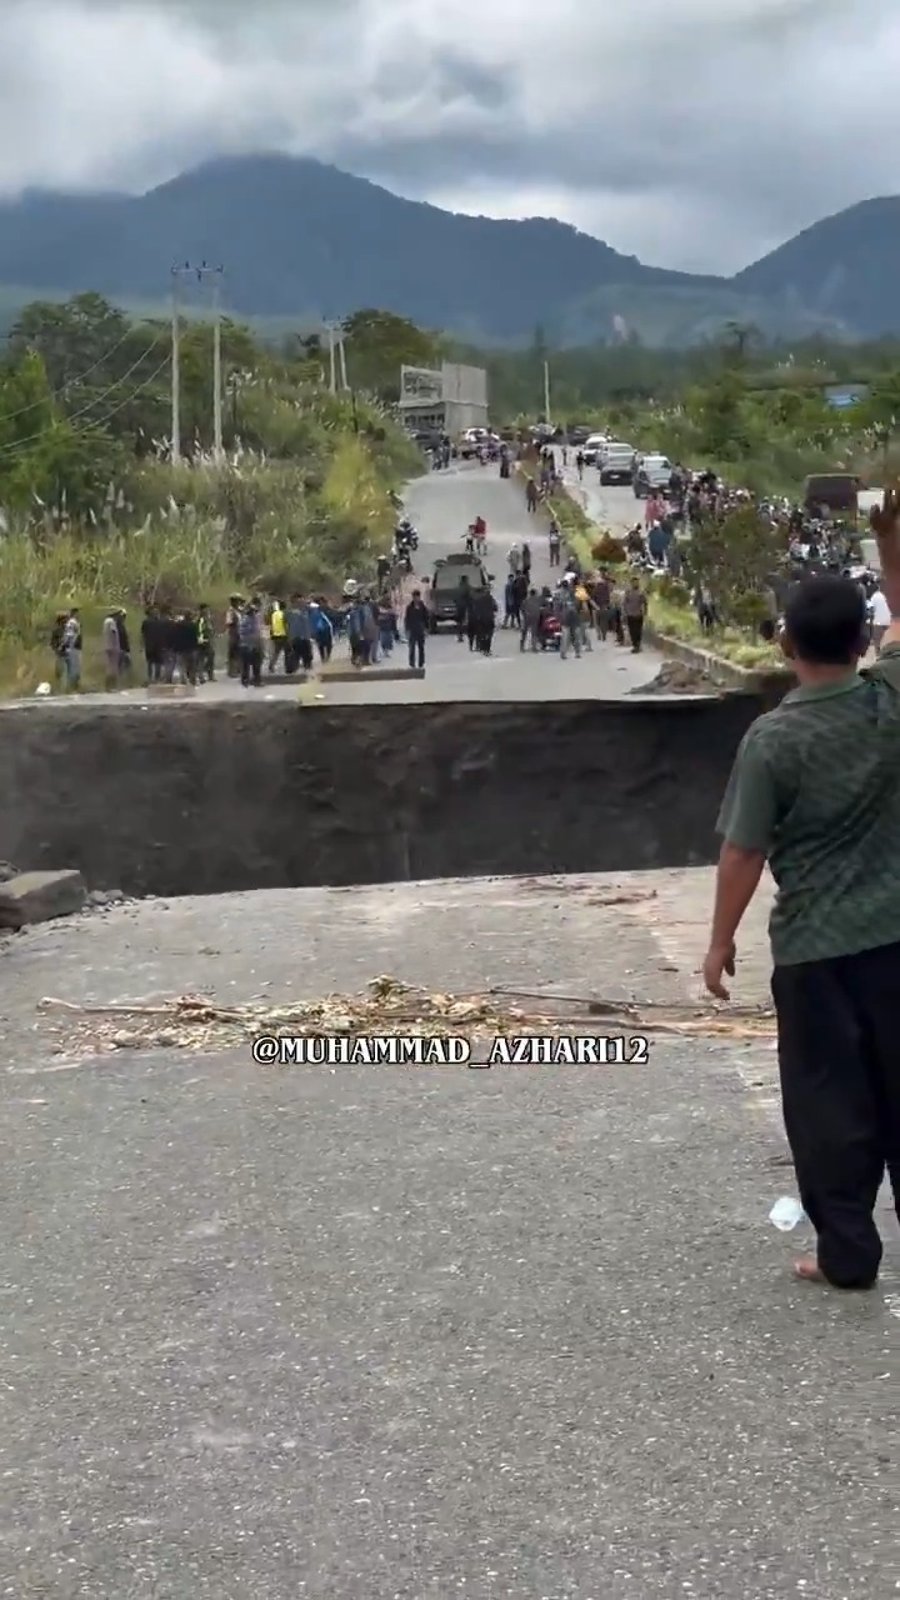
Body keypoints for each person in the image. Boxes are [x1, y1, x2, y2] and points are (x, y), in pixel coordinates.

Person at [704, 521, 900, 1294]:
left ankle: (847, 1253)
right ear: (864, 640)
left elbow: (743, 851)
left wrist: (719, 942)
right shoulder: (890, 702)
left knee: (829, 1108)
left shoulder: (772, 741)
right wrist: (891, 544)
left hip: (817, 955)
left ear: (786, 645)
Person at [404, 589, 429, 669]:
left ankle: (421, 663)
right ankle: (412, 663)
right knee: (412, 647)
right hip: (412, 629)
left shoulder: (422, 607)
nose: (416, 599)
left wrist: (426, 629)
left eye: (417, 597)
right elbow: (407, 619)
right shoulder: (409, 607)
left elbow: (426, 618)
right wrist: (407, 630)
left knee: (421, 647)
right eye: (414, 597)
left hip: (420, 629)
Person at [622, 577, 648, 651]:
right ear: (631, 583)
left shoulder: (641, 592)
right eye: (634, 582)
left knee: (638, 631)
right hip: (630, 614)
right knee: (632, 631)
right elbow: (624, 603)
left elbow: (645, 602)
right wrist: (624, 612)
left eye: (637, 582)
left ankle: (638, 645)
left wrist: (645, 612)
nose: (635, 584)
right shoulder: (628, 592)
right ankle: (635, 645)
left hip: (639, 614)